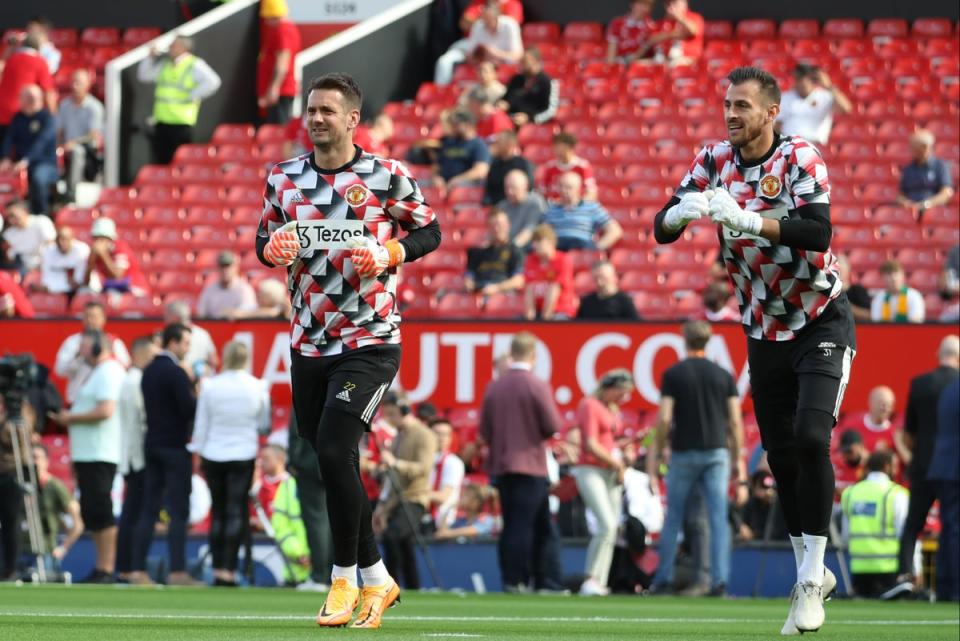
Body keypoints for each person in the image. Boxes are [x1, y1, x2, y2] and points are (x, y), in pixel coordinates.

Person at [652, 66, 852, 634]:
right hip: (763, 329)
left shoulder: (800, 158)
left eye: (742, 105)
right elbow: (660, 228)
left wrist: (750, 221)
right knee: (780, 458)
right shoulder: (712, 159)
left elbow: (818, 232)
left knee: (814, 438)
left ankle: (811, 579)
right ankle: (809, 568)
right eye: (727, 105)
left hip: (818, 319)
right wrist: (680, 213)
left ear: (771, 113)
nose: (731, 114)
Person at [255, 72, 440, 629]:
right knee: (327, 457)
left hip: (370, 339)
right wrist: (273, 250)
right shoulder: (283, 178)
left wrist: (389, 252)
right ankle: (379, 580)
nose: (316, 119)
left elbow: (429, 233)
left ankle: (342, 580)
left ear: (353, 120)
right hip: (308, 342)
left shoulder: (385, 176)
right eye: (311, 110)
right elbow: (265, 241)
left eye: (327, 111)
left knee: (335, 449)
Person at [646, 321, 746, 596]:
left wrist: (657, 451)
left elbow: (665, 418)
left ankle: (663, 579)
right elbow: (735, 422)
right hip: (716, 453)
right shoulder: (723, 375)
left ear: (684, 340)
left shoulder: (674, 374)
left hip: (683, 453)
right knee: (718, 518)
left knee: (673, 517)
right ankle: (719, 581)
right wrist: (738, 460)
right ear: (708, 341)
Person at [479, 332, 563, 592]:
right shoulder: (537, 385)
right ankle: (519, 579)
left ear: (512, 353)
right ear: (534, 355)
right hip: (531, 466)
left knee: (525, 523)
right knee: (526, 525)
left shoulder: (495, 386)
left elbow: (485, 430)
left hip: (503, 466)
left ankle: (538, 578)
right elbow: (552, 425)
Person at [47, 330, 126, 583]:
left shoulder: (110, 371)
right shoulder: (94, 373)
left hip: (100, 451)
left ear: (96, 347)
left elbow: (106, 409)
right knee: (93, 510)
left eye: (83, 347)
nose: (79, 353)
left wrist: (70, 418)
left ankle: (106, 567)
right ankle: (100, 566)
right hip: (87, 452)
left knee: (102, 509)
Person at [189, 341, 269, 586]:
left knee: (219, 511)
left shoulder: (211, 386)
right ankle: (230, 570)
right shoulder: (257, 386)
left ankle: (217, 569)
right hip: (242, 453)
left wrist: (198, 451)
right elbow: (263, 424)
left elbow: (201, 425)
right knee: (236, 511)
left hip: (213, 454)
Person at [130, 323, 198, 586]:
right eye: (185, 343)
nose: (187, 349)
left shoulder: (148, 371)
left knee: (149, 508)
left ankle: (137, 570)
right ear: (173, 343)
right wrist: (194, 389)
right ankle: (177, 571)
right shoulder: (175, 373)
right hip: (174, 447)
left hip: (153, 445)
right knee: (179, 511)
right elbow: (189, 410)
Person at [895, 335, 960, 590]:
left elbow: (909, 430)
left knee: (913, 523)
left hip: (923, 463)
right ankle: (949, 582)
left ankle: (904, 576)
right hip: (953, 465)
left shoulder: (920, 383)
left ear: (938, 353)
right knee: (952, 525)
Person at [572, 370, 634, 596]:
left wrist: (626, 450)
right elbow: (590, 444)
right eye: (621, 392)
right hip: (591, 470)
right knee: (606, 524)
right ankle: (590, 578)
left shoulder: (611, 410)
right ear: (609, 387)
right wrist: (617, 464)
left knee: (612, 528)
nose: (624, 398)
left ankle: (599, 581)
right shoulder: (589, 405)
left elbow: (609, 442)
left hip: (609, 472)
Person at [372, 393, 437, 590]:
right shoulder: (398, 436)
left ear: (405, 411)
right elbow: (393, 477)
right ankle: (412, 586)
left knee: (393, 537)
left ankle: (390, 586)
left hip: (416, 497)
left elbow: (424, 468)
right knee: (404, 544)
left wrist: (395, 463)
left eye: (392, 414)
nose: (389, 419)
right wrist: (382, 507)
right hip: (397, 500)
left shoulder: (425, 435)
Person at [137, 35, 221, 164]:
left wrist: (192, 95)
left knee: (180, 163)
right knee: (161, 162)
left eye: (173, 45)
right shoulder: (164, 64)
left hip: (181, 122)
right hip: (161, 120)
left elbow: (213, 82)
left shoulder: (194, 64)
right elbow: (143, 76)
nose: (170, 48)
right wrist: (150, 58)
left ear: (183, 47)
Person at [115, 336, 157, 583]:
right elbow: (142, 419)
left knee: (132, 511)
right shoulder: (135, 381)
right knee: (136, 512)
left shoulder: (132, 380)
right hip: (137, 456)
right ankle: (131, 568)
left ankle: (125, 567)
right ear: (138, 355)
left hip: (133, 455)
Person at [840, 451, 909, 598]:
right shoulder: (896, 493)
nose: (896, 470)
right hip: (888, 568)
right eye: (894, 466)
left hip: (858, 568)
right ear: (886, 466)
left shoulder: (850, 493)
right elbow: (904, 535)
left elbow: (845, 536)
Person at [54, 300, 131, 403]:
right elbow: (60, 371)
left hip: (107, 401)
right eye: (87, 316)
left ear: (103, 319)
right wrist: (78, 356)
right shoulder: (73, 342)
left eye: (94, 316)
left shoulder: (114, 343)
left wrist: (109, 356)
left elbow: (126, 370)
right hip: (78, 401)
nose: (90, 320)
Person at [434, 0, 523, 86]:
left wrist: (494, 53)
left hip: (498, 67)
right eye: (484, 19)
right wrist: (479, 55)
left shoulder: (510, 26)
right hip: (477, 59)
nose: (486, 23)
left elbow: (517, 57)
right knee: (444, 61)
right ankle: (441, 91)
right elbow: (470, 54)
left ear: (497, 17)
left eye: (489, 19)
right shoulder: (479, 25)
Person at [0, 85, 58, 215]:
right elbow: (9, 139)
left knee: (38, 178)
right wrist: (5, 158)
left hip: (45, 164)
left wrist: (26, 160)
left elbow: (41, 143)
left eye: (22, 98)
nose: (19, 100)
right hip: (20, 164)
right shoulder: (18, 118)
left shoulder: (47, 118)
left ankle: (41, 215)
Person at [25, 444, 83, 570]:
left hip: (45, 552)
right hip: (18, 551)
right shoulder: (20, 485)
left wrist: (63, 548)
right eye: (29, 457)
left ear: (46, 461)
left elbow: (77, 524)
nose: (33, 462)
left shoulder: (56, 487)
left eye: (36, 457)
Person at [928, 379, 959, 601]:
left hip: (943, 465)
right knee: (954, 529)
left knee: (949, 528)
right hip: (955, 467)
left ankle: (945, 587)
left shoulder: (949, 388)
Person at [263, 444, 312, 585]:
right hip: (295, 572)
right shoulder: (287, 486)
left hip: (330, 575)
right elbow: (279, 525)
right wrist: (299, 553)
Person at [542, 171, 623, 251]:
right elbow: (542, 232)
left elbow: (615, 230)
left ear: (578, 188)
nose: (564, 190)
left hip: (581, 246)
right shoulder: (550, 208)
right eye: (561, 186)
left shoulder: (591, 207)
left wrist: (597, 248)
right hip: (558, 247)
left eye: (569, 187)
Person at [775, 64, 853, 147]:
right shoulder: (786, 97)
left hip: (814, 145)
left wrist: (829, 86)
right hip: (790, 145)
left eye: (804, 78)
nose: (800, 82)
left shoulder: (825, 96)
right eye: (798, 79)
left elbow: (845, 109)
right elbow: (778, 125)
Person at [57, 69, 104, 198]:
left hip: (87, 150)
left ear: (87, 85)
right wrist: (59, 144)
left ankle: (71, 194)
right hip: (65, 146)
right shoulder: (64, 105)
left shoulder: (94, 107)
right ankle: (52, 193)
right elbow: (59, 131)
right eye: (73, 82)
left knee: (77, 151)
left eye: (78, 83)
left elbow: (94, 135)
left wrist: (73, 143)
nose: (74, 86)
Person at [0, 34, 54, 143]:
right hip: (23, 115)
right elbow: (48, 92)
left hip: (3, 113)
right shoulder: (39, 62)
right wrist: (53, 117)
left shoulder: (10, 60)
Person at [257, 0, 301, 125]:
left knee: (278, 133)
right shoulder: (284, 29)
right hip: (279, 91)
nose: (265, 20)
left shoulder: (283, 30)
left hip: (281, 92)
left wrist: (273, 89)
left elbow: (282, 63)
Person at [464, 208, 525, 297]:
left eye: (500, 225)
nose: (496, 229)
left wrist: (497, 288)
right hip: (478, 292)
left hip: (502, 295)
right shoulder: (476, 252)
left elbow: (518, 280)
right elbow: (469, 276)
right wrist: (468, 283)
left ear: (508, 226)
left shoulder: (515, 251)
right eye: (492, 225)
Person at [523, 224, 577, 320]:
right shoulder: (531, 259)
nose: (534, 245)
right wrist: (529, 316)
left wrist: (546, 318)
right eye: (534, 241)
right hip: (538, 310)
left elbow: (555, 288)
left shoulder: (563, 260)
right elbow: (529, 289)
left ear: (550, 242)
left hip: (560, 310)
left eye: (539, 241)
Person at [897, 129, 955, 219]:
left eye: (914, 146)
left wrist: (927, 204)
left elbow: (946, 193)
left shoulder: (940, 166)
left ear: (925, 147)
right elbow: (901, 194)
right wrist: (905, 203)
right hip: (909, 211)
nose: (910, 149)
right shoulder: (908, 169)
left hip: (934, 212)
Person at [84, 217, 149, 296]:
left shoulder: (120, 247)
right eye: (96, 238)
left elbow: (118, 276)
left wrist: (103, 255)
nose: (98, 242)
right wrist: (91, 261)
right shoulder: (95, 253)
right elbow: (86, 282)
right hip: (112, 289)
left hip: (134, 288)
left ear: (110, 239)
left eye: (102, 238)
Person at [434, 109, 491, 197]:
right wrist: (436, 177)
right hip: (443, 187)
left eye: (456, 125)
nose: (453, 127)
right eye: (452, 124)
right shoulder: (448, 142)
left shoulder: (478, 144)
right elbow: (436, 166)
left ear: (468, 125)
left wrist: (456, 180)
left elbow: (480, 171)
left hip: (464, 189)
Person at [498, 48, 558, 128]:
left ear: (535, 61)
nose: (521, 63)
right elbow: (506, 99)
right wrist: (504, 105)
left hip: (533, 128)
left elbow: (550, 111)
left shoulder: (548, 82)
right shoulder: (516, 79)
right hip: (509, 122)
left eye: (524, 61)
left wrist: (529, 118)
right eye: (521, 61)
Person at [836, 385, 901, 456]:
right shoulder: (851, 425)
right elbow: (838, 453)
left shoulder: (896, 434)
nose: (884, 408)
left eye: (889, 404)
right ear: (871, 402)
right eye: (881, 403)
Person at [426, 418, 466, 531]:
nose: (441, 438)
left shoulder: (453, 462)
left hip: (441, 521)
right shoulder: (423, 460)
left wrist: (414, 494)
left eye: (446, 435)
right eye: (437, 434)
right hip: (421, 518)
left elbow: (443, 497)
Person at [196, 250, 257, 319]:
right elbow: (201, 314)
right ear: (218, 268)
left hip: (237, 328)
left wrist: (231, 313)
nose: (225, 270)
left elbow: (249, 313)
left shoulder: (244, 289)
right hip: (214, 328)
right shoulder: (209, 290)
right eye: (222, 266)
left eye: (228, 266)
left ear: (236, 268)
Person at [539, 132, 598, 203]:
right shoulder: (550, 167)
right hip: (554, 208)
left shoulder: (582, 166)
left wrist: (578, 205)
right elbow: (542, 191)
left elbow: (591, 192)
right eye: (556, 147)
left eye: (561, 148)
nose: (558, 151)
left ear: (571, 148)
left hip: (576, 209)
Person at [164, 300, 218, 376]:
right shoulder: (203, 333)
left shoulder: (168, 335)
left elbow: (213, 362)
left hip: (181, 380)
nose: (165, 320)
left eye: (166, 316)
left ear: (175, 317)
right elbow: (213, 362)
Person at [2, 199, 55, 273]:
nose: (11, 220)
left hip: (45, 266)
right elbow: (10, 258)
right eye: (9, 217)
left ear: (24, 211)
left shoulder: (42, 221)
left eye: (13, 216)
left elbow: (51, 246)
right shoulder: (8, 234)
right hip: (21, 269)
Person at [737, 469, 790, 542]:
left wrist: (754, 535)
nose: (767, 491)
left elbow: (777, 532)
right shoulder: (750, 504)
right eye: (762, 487)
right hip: (755, 548)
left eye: (769, 487)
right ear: (754, 488)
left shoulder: (779, 505)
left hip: (780, 547)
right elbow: (743, 524)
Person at [496, 169, 545, 248]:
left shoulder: (535, 203)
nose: (510, 192)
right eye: (507, 188)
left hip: (526, 248)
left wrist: (513, 247)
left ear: (525, 186)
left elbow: (529, 231)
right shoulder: (502, 206)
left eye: (514, 188)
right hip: (506, 246)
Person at [483, 130, 534, 206]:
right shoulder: (494, 165)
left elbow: (529, 188)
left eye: (499, 142)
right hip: (498, 208)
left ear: (509, 145)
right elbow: (489, 189)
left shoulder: (522, 164)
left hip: (519, 206)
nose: (496, 145)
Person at [646, 0, 704, 65]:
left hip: (688, 60)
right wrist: (672, 34)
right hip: (663, 59)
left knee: (674, 64)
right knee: (640, 65)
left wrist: (679, 17)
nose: (671, 6)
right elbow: (651, 40)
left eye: (674, 3)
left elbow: (692, 31)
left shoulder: (694, 17)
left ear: (684, 2)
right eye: (668, 4)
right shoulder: (663, 22)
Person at [433, 483, 498, 540]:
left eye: (466, 496)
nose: (462, 497)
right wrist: (449, 508)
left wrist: (448, 534)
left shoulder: (486, 520)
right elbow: (442, 532)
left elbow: (472, 530)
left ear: (476, 503)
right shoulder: (460, 521)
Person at [38, 226, 90, 295]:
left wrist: (76, 283)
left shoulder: (82, 250)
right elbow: (47, 277)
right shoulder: (48, 251)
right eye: (59, 239)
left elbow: (80, 278)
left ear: (72, 239)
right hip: (56, 289)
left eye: (66, 239)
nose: (62, 242)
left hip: (79, 289)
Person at [223, 277, 291, 320]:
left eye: (262, 294)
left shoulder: (280, 310)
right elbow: (230, 313)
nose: (258, 295)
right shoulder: (251, 307)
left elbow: (275, 313)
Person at [832, 429, 867, 500]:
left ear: (861, 446)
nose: (846, 456)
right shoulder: (835, 464)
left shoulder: (870, 466)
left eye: (850, 451)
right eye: (844, 452)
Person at [835, 254, 872, 322]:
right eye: (836, 269)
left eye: (841, 269)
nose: (839, 272)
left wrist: (849, 308)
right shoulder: (827, 293)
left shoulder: (858, 291)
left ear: (848, 270)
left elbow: (870, 315)